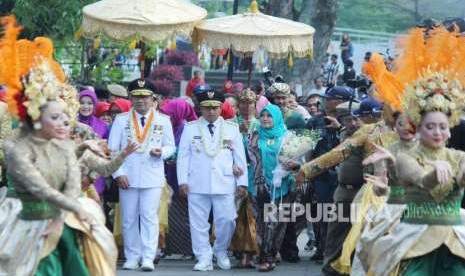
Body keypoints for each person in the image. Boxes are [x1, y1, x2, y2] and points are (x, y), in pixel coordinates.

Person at [0, 17, 116, 275]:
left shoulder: (62, 143)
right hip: (22, 217)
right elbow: (37, 184)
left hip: (59, 216)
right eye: (55, 117)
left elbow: (71, 176)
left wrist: (81, 148)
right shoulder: (15, 144)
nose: (63, 121)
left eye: (63, 116)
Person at [353, 26, 465, 276]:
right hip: (415, 237)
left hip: (455, 238)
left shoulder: (459, 157)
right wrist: (436, 172)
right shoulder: (405, 157)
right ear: (420, 129)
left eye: (442, 127)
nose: (437, 132)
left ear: (449, 131)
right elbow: (422, 180)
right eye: (430, 126)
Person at [108, 78, 176, 271]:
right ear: (130, 98)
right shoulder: (121, 120)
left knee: (149, 217)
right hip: (127, 176)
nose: (141, 101)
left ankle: (148, 256)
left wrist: (162, 153)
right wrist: (118, 173)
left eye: (145, 97)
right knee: (128, 218)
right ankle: (132, 256)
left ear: (152, 98)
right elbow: (112, 150)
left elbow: (171, 145)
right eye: (136, 97)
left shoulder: (163, 120)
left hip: (152, 175)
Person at [177, 89, 248, 271]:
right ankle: (203, 256)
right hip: (197, 182)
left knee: (227, 220)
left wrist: (242, 183)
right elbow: (183, 156)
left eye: (214, 108)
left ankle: (220, 250)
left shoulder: (231, 129)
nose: (211, 112)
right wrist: (182, 181)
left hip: (224, 181)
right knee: (198, 223)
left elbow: (239, 158)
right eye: (206, 108)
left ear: (220, 108)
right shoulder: (190, 128)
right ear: (200, 108)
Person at [159, 98, 198, 257]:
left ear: (178, 114)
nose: (166, 117)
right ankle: (167, 248)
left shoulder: (185, 128)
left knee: (184, 215)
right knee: (167, 214)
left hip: (182, 176)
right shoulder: (164, 126)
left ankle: (189, 250)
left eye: (169, 114)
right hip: (166, 175)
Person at [230, 89, 260, 268]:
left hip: (256, 174)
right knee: (234, 215)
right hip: (235, 174)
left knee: (252, 214)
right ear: (238, 106)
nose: (247, 107)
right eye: (243, 103)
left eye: (250, 103)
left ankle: (250, 252)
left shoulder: (262, 124)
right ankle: (237, 249)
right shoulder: (230, 124)